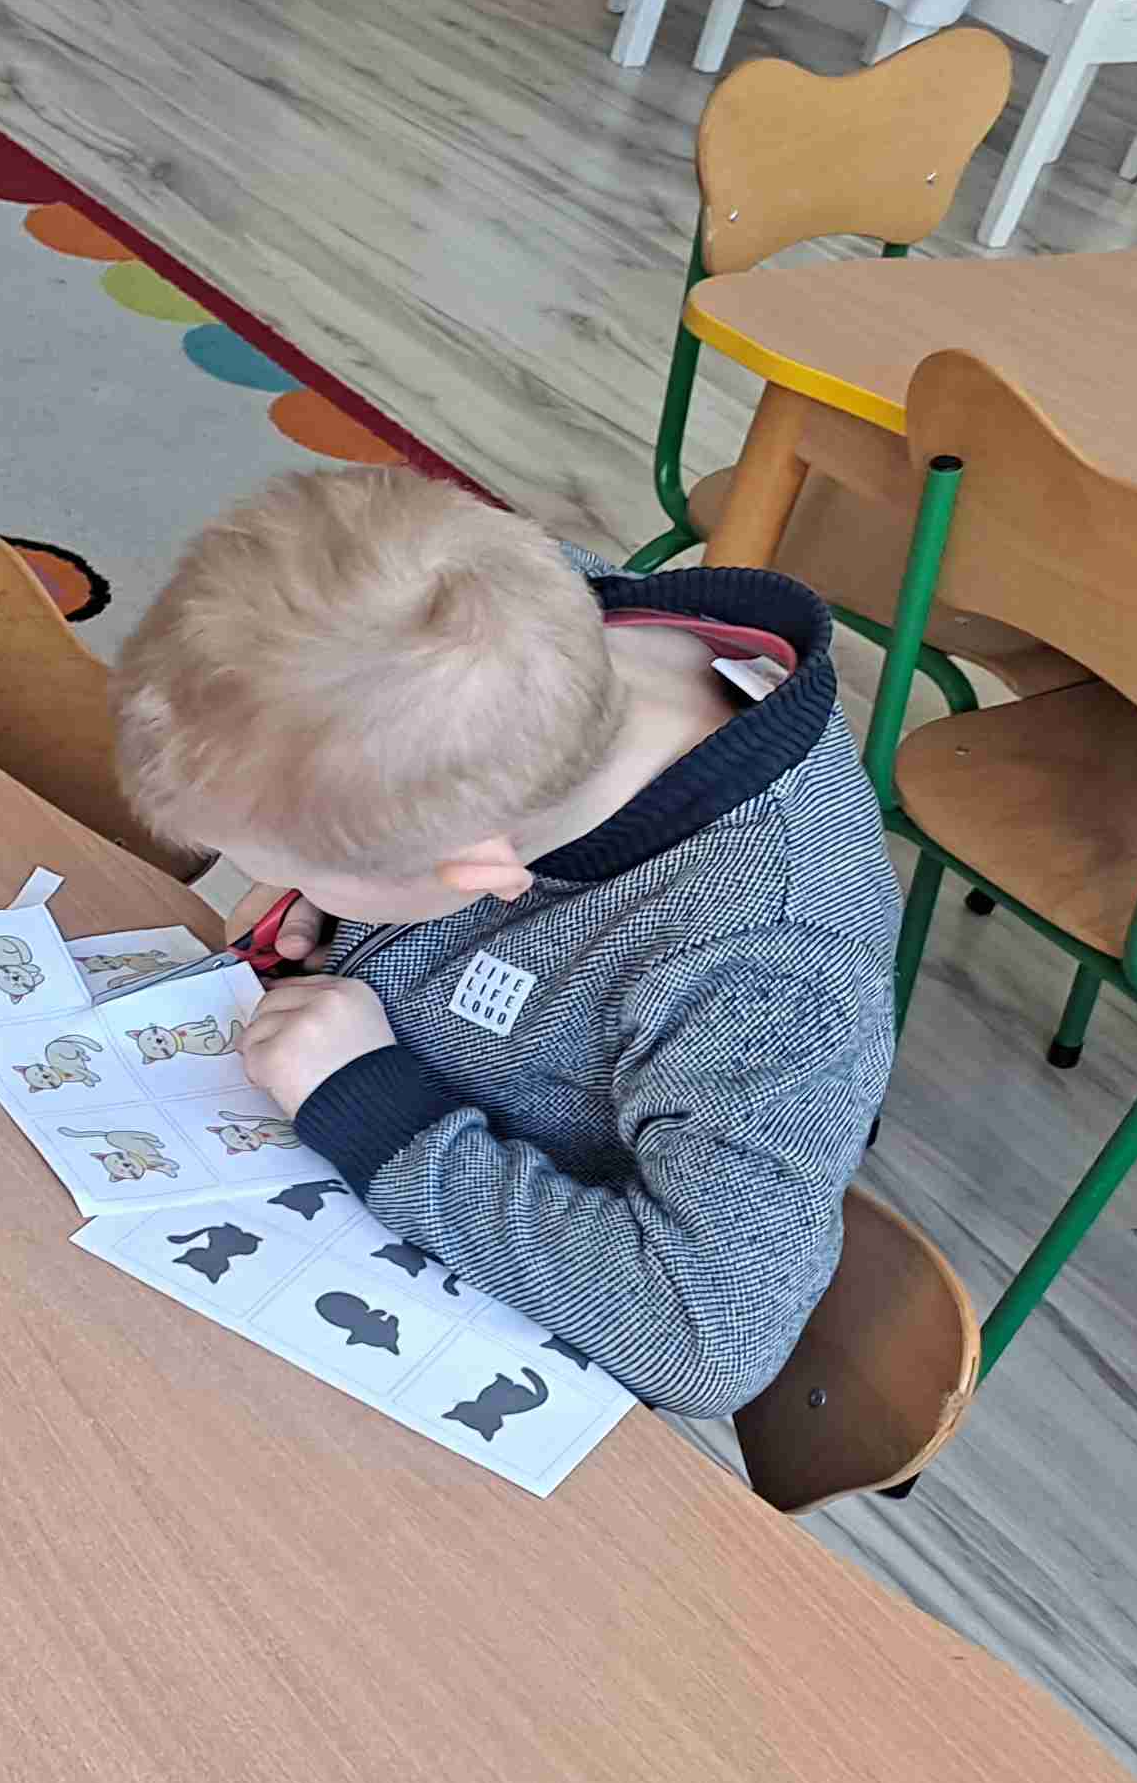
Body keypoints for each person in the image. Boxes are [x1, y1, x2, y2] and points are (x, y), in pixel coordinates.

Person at [110, 469, 902, 1415]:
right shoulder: (500, 605)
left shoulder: (771, 962)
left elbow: (709, 1341)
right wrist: (329, 900)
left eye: (297, 869)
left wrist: (373, 1107)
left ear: (478, 873)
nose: (282, 886)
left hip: (455, 1345)